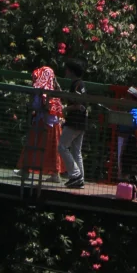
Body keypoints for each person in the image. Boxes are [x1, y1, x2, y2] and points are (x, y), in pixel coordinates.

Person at [19, 63, 64, 181]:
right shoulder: (54, 89)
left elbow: (36, 105)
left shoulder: (42, 91)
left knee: (32, 145)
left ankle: (26, 170)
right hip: (53, 124)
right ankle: (54, 173)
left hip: (43, 122)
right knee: (53, 148)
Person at [59, 59, 88, 189]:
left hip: (74, 121)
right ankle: (80, 178)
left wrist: (65, 109)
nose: (65, 71)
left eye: (67, 69)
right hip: (81, 122)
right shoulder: (80, 84)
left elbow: (78, 105)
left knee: (62, 146)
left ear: (71, 71)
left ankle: (75, 175)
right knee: (76, 151)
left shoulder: (76, 84)